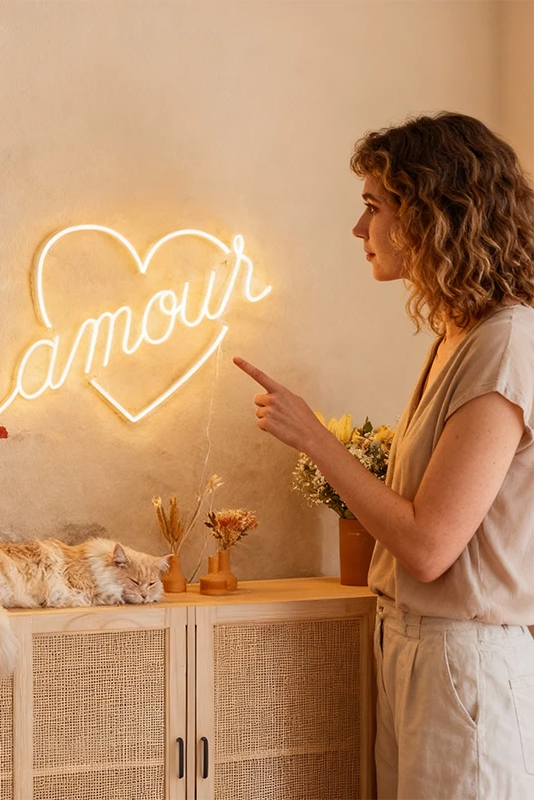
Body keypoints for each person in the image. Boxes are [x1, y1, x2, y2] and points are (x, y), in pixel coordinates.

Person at [234, 112, 534, 799]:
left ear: (434, 214)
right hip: (413, 647)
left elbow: (429, 546)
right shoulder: (458, 336)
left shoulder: (506, 343)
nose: (358, 229)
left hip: (465, 666)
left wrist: (314, 438)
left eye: (374, 206)